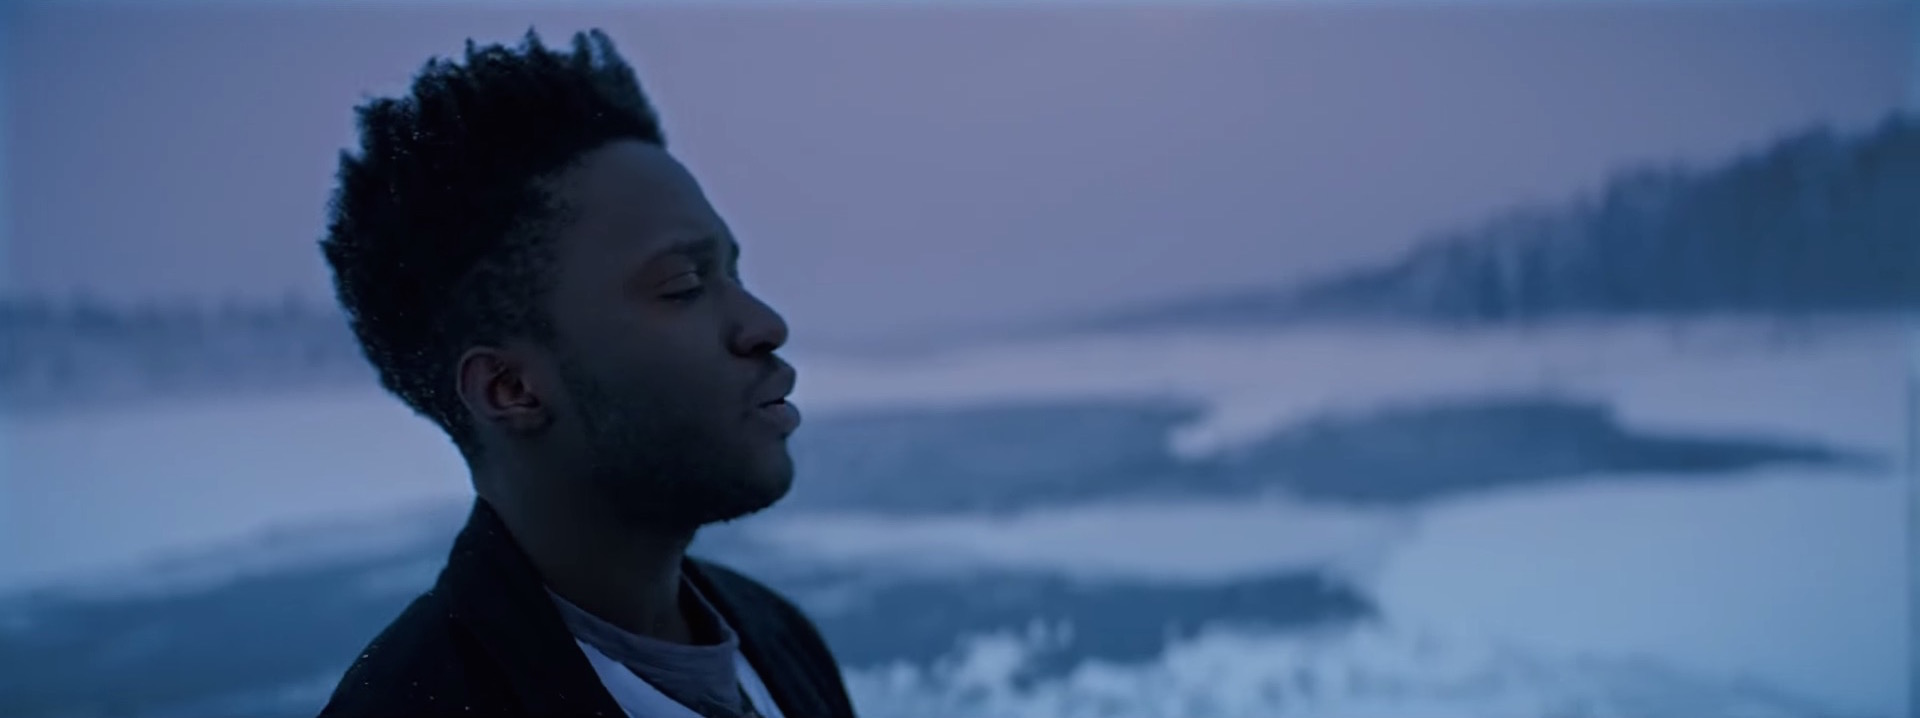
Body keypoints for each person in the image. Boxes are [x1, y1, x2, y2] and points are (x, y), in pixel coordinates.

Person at [314, 28, 857, 718]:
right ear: (511, 390)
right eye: (685, 285)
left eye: (734, 273)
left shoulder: (777, 636)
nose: (765, 324)